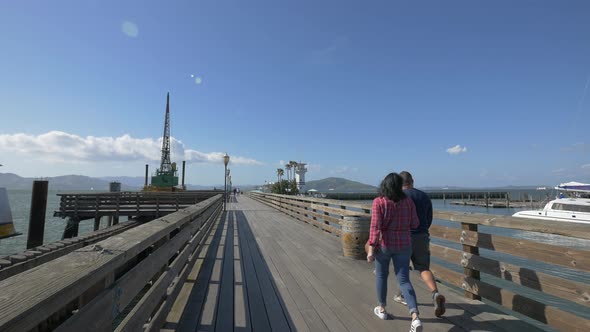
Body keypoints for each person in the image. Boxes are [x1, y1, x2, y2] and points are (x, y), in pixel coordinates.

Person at [367, 172, 423, 332]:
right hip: (404, 244)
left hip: (384, 244)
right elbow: (415, 223)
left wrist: (371, 248)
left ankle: (382, 309)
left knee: (381, 275)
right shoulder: (408, 201)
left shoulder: (379, 202)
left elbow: (375, 227)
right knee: (404, 280)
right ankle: (415, 317)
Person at [393, 171, 446, 318]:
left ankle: (402, 296)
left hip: (403, 236)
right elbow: (429, 217)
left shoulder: (398, 197)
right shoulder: (424, 196)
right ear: (412, 181)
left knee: (402, 268)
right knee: (423, 268)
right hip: (421, 236)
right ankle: (435, 293)